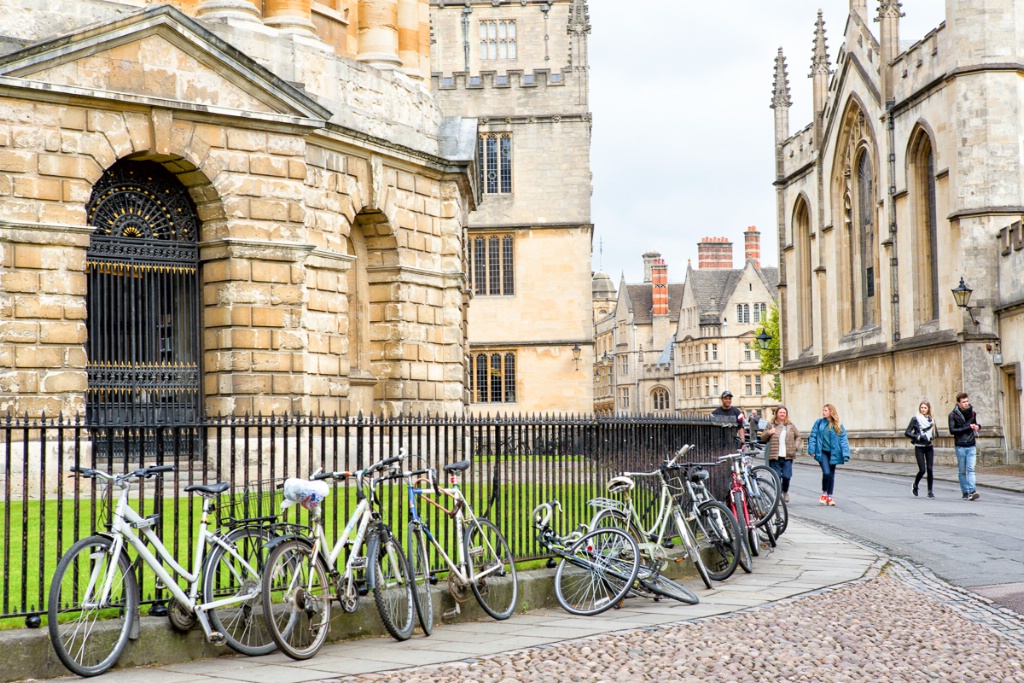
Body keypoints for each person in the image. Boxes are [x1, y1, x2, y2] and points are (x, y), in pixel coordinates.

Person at [807, 403, 850, 507]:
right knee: (826, 472)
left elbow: (843, 439)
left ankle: (830, 496)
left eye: (825, 410)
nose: (823, 412)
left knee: (831, 474)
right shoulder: (819, 423)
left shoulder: (838, 424)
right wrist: (811, 450)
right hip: (822, 452)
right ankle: (824, 493)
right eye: (823, 410)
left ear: (831, 412)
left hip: (834, 453)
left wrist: (845, 453)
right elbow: (812, 436)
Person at [758, 405, 800, 504]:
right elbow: (762, 437)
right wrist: (769, 432)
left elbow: (798, 436)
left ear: (786, 414)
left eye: (784, 413)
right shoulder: (771, 425)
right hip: (774, 455)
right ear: (776, 413)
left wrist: (795, 447)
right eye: (780, 412)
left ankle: (785, 491)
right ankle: (779, 495)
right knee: (776, 477)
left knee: (786, 476)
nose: (782, 414)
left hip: (787, 455)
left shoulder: (790, 425)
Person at [948, 392, 981, 501]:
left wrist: (977, 426)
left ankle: (972, 491)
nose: (966, 404)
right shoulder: (953, 415)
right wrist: (968, 427)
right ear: (958, 403)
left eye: (967, 401)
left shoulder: (972, 413)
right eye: (963, 402)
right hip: (960, 446)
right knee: (962, 471)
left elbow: (975, 423)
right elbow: (952, 430)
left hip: (971, 444)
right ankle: (965, 492)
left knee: (971, 469)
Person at [905, 400, 937, 498]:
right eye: (921, 407)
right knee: (922, 470)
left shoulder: (931, 420)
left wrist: (931, 437)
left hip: (929, 446)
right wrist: (918, 437)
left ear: (928, 409)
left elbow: (936, 433)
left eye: (925, 408)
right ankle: (915, 485)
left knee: (930, 469)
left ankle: (930, 491)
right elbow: (907, 432)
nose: (923, 409)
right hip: (919, 447)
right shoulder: (915, 419)